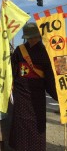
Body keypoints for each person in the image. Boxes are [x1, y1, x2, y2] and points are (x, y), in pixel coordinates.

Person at [9, 22, 57, 151]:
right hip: (21, 93)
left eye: (34, 37)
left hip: (37, 95)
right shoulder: (19, 50)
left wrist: (59, 96)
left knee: (37, 125)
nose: (32, 40)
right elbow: (12, 71)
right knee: (21, 125)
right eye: (29, 37)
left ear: (40, 36)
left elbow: (50, 77)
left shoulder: (46, 52)